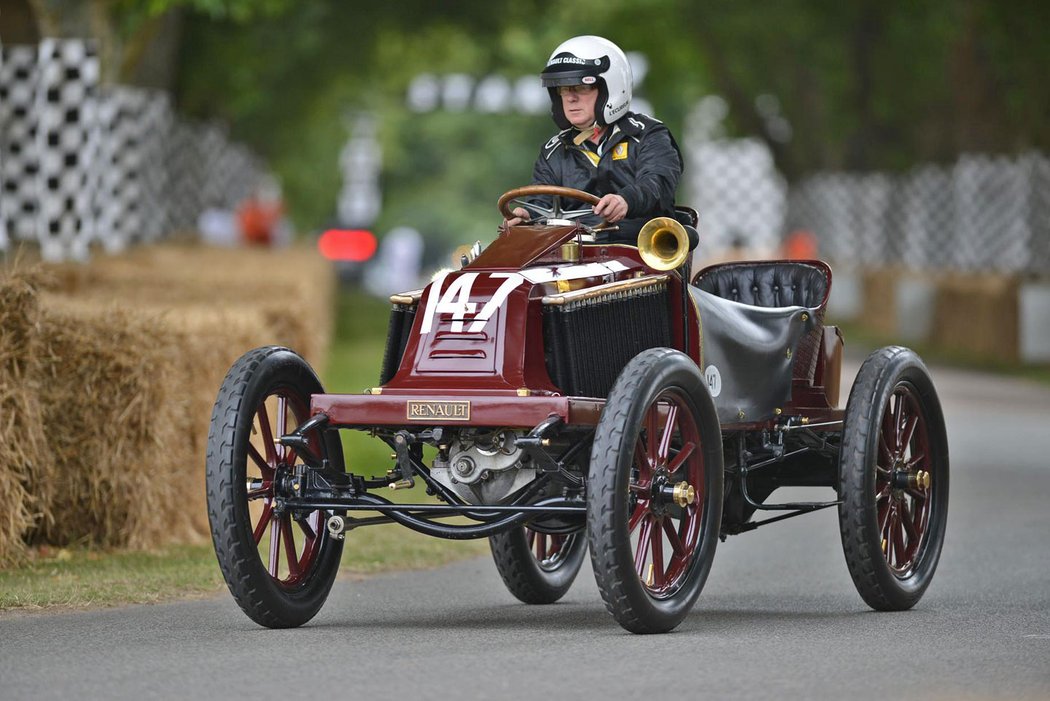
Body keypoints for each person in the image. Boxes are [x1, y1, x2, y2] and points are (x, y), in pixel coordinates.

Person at [504, 35, 684, 243]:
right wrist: (527, 219)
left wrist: (626, 200)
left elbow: (657, 183)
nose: (571, 98)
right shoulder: (552, 152)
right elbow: (541, 206)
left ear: (611, 89)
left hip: (639, 253)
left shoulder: (648, 134)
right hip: (572, 261)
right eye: (563, 89)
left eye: (581, 87)